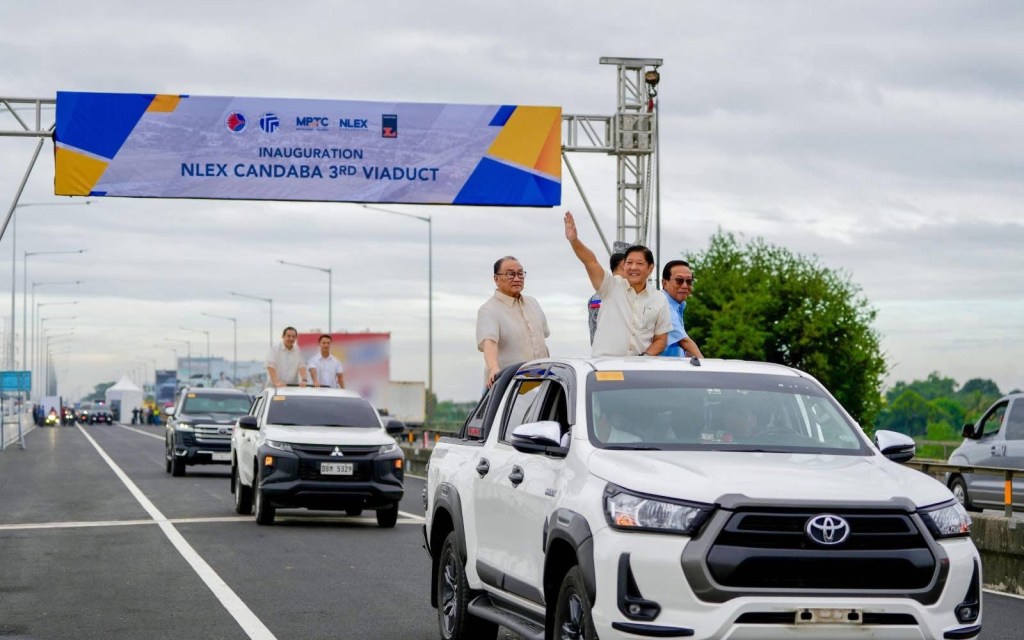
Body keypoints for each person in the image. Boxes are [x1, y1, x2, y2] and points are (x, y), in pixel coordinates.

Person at [564, 211, 670, 356]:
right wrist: (574, 241)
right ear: (623, 265)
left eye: (639, 263)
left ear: (650, 268)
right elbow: (590, 261)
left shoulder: (659, 299)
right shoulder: (611, 287)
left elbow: (661, 339)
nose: (633, 267)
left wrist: (644, 358)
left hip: (638, 370)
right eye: (629, 263)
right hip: (605, 368)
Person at [476, 256, 550, 388]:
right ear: (496, 279)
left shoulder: (533, 303)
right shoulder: (489, 310)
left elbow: (542, 340)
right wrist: (493, 368)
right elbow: (490, 343)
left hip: (540, 385)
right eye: (510, 274)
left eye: (520, 273)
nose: (517, 278)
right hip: (508, 388)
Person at [660, 259, 704, 359]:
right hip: (660, 372)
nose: (685, 286)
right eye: (679, 280)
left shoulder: (676, 305)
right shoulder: (663, 304)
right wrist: (706, 369)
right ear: (664, 283)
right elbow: (684, 342)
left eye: (689, 281)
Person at [588, 241, 630, 345]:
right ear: (623, 265)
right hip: (613, 357)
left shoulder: (596, 297)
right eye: (631, 263)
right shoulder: (616, 293)